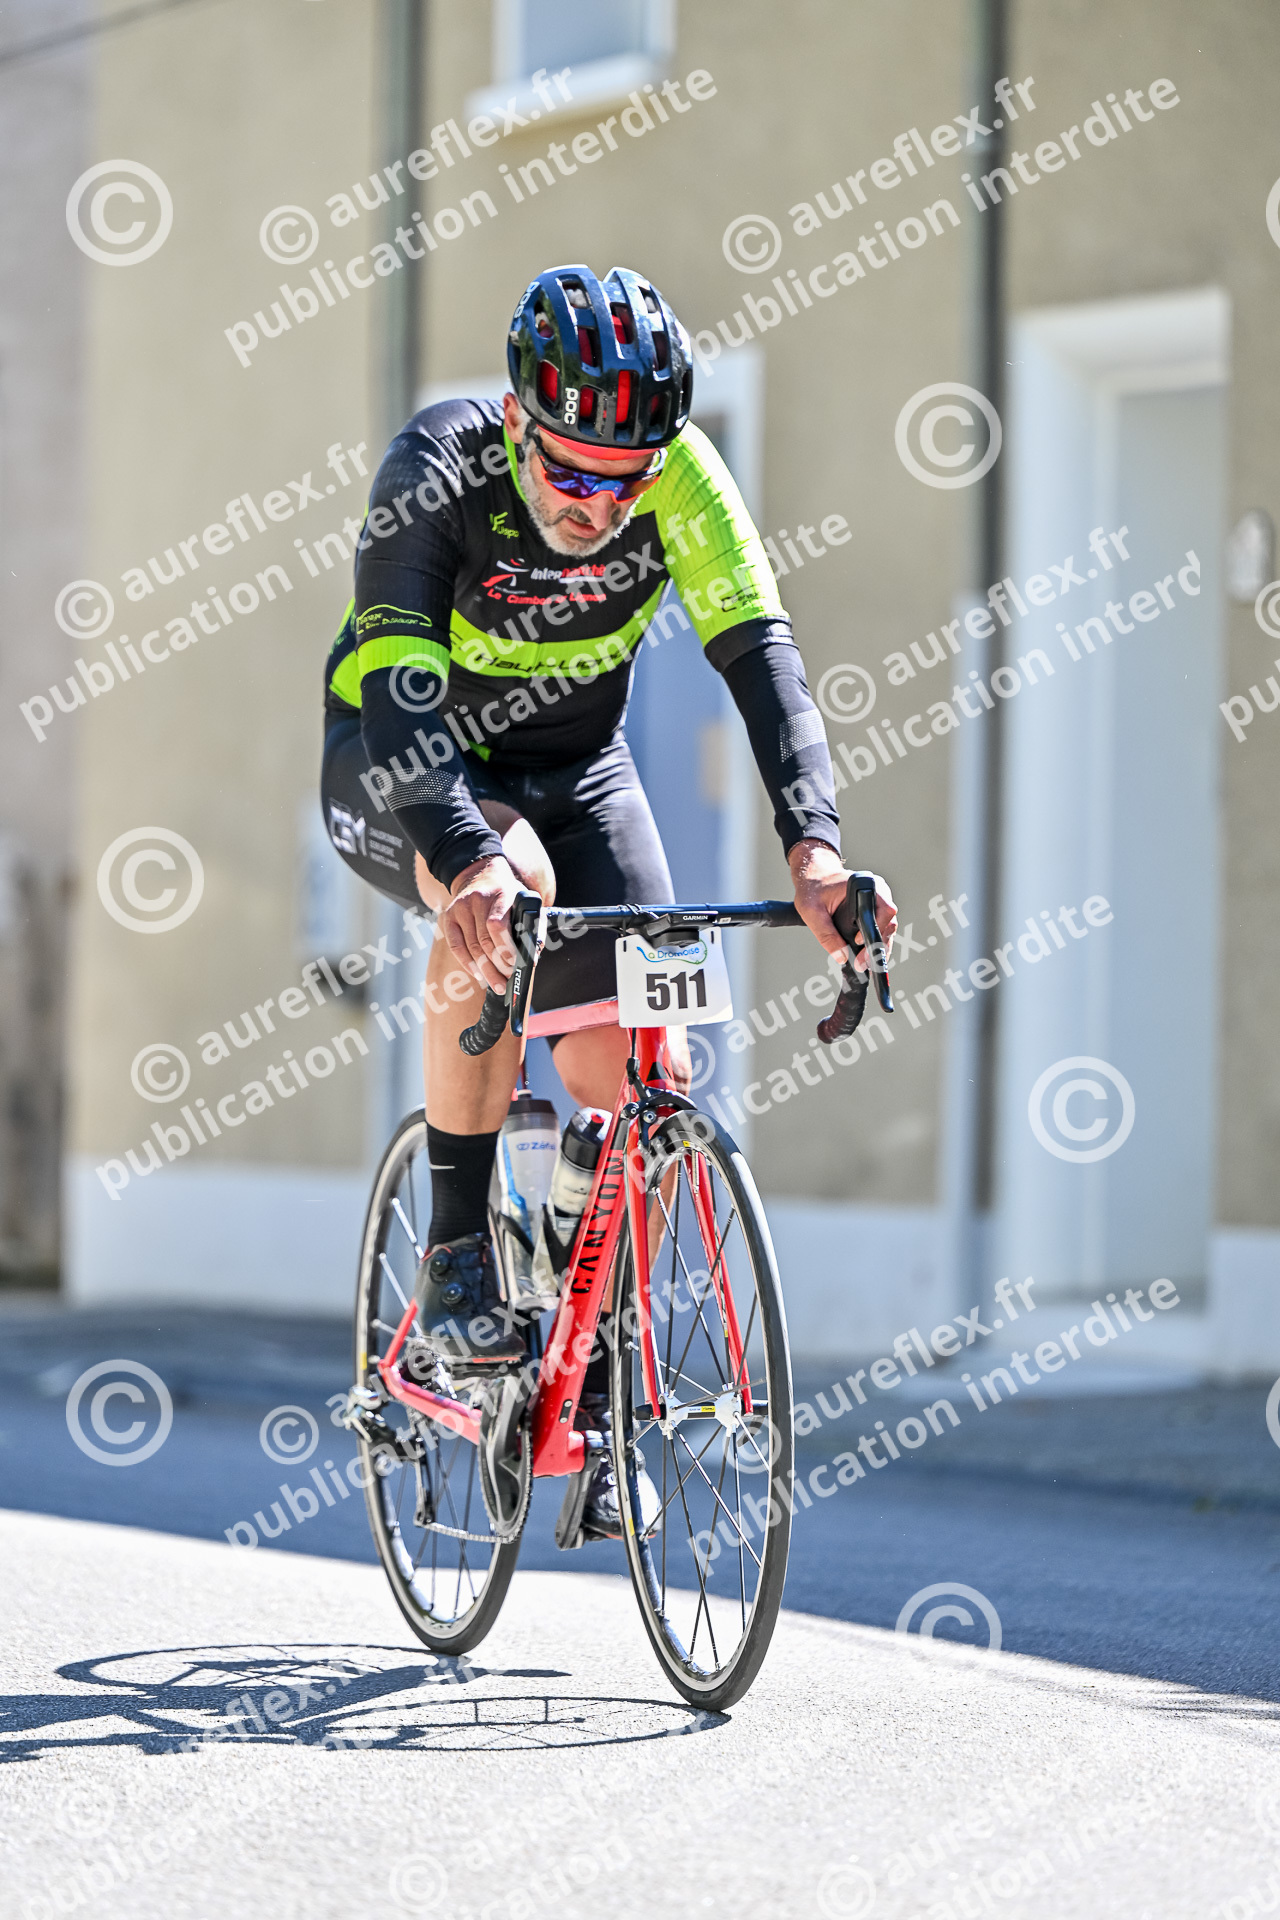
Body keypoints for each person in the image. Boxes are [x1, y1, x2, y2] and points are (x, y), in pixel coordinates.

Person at [321, 263, 895, 1530]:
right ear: (516, 423)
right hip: (406, 762)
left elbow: (763, 661)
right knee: (510, 886)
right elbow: (402, 702)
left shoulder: (680, 476)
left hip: (578, 768)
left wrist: (813, 851)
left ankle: (590, 1364)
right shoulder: (438, 465)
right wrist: (466, 856)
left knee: (650, 1066)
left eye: (622, 479)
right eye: (569, 472)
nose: (595, 503)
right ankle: (457, 1251)